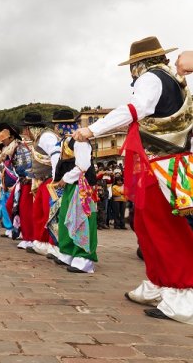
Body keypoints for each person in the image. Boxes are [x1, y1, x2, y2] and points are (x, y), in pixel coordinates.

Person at [74, 36, 193, 323]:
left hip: (161, 164)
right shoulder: (172, 80)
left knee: (164, 226)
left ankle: (184, 293)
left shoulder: (151, 79)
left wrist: (92, 130)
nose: (131, 73)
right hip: (169, 163)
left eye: (132, 66)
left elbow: (133, 109)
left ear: (139, 63)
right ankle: (158, 282)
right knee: (144, 223)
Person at [51, 110, 98, 274]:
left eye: (57, 125)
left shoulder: (79, 140)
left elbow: (83, 165)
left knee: (82, 219)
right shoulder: (67, 141)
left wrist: (66, 178)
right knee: (67, 217)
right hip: (73, 184)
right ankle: (69, 252)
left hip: (82, 185)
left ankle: (84, 258)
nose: (55, 129)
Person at [21, 112, 61, 257]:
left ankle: (54, 246)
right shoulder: (39, 139)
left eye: (26, 129)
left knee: (50, 214)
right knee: (40, 212)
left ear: (31, 128)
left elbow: (56, 154)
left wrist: (56, 178)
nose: (25, 133)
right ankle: (42, 243)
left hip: (51, 180)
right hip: (43, 181)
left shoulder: (46, 137)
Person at [0, 123, 33, 244]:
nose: (3, 140)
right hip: (20, 182)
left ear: (12, 138)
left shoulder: (21, 148)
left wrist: (19, 182)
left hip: (26, 182)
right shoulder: (11, 150)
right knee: (11, 206)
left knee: (24, 209)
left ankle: (27, 237)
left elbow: (26, 167)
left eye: (4, 138)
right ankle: (21, 232)